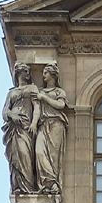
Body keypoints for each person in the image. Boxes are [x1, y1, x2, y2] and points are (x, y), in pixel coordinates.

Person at [2, 61, 38, 193]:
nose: (26, 74)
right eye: (24, 71)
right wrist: (12, 115)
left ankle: (27, 186)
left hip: (26, 127)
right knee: (16, 156)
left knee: (25, 154)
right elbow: (5, 111)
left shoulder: (32, 89)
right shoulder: (12, 93)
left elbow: (37, 108)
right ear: (18, 73)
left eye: (27, 71)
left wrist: (34, 123)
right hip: (14, 127)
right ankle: (19, 187)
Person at [33, 61, 69, 195]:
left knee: (53, 156)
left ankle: (53, 184)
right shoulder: (41, 92)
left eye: (45, 73)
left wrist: (45, 98)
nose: (43, 75)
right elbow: (36, 110)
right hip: (43, 125)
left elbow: (61, 105)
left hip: (56, 124)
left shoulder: (59, 91)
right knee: (39, 152)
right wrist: (33, 124)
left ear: (53, 75)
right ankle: (46, 183)